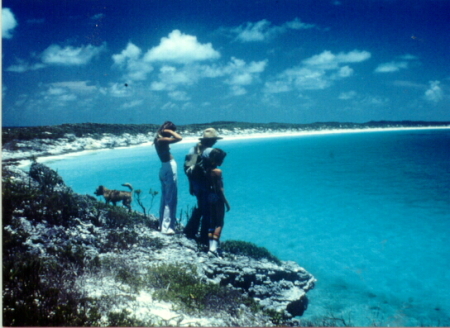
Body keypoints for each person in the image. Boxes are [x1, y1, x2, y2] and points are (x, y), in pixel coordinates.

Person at [183, 128, 223, 244]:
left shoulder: (193, 149)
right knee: (208, 212)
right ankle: (204, 239)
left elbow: (188, 169)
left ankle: (190, 231)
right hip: (206, 185)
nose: (215, 142)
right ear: (211, 140)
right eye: (214, 140)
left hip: (195, 184)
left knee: (200, 208)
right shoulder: (210, 151)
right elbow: (216, 165)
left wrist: (191, 185)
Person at [153, 121, 182, 234]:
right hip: (169, 169)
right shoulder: (162, 140)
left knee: (165, 197)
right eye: (171, 131)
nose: (171, 134)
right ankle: (167, 227)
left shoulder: (157, 140)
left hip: (164, 168)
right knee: (170, 198)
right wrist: (169, 131)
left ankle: (163, 225)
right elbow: (179, 138)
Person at [202, 148, 230, 257]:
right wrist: (226, 203)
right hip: (217, 198)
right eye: (221, 159)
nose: (222, 161)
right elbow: (220, 189)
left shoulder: (207, 170)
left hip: (209, 197)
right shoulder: (217, 172)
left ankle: (210, 247)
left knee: (212, 222)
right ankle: (213, 248)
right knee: (219, 223)